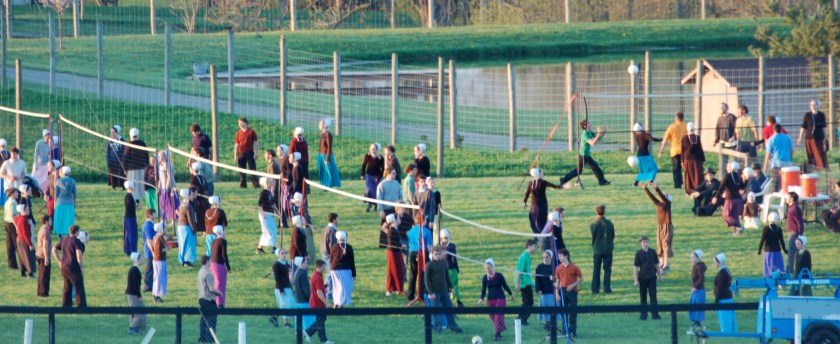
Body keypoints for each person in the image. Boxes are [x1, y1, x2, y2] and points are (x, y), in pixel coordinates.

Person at [560, 120, 610, 187]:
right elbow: (593, 143)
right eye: (588, 123)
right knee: (578, 171)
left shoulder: (589, 132)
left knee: (595, 166)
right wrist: (598, 135)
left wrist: (604, 131)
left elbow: (598, 138)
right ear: (585, 126)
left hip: (587, 155)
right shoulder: (585, 134)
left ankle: (602, 181)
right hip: (583, 156)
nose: (590, 123)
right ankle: (563, 180)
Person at [425, 245, 463, 334]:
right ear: (432, 254)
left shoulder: (443, 263)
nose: (437, 256)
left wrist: (451, 287)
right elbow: (426, 280)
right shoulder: (429, 265)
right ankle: (437, 329)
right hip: (435, 292)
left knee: (450, 309)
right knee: (437, 312)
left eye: (439, 254)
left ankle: (453, 326)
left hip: (445, 291)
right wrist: (430, 292)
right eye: (435, 254)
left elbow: (447, 276)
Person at [478, 258, 514, 341]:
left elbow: (505, 286)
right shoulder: (485, 278)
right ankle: (501, 328)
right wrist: (481, 299)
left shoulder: (499, 276)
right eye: (486, 268)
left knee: (498, 316)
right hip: (490, 300)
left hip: (500, 298)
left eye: (489, 268)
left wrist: (511, 294)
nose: (487, 269)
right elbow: (483, 290)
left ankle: (497, 334)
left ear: (492, 267)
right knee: (493, 317)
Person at [52, 224, 86, 307]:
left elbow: (54, 249)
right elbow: (78, 254)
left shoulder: (64, 240)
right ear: (77, 231)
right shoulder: (76, 241)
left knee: (67, 287)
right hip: (73, 266)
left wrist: (59, 261)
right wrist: (81, 267)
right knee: (78, 286)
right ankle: (81, 306)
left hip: (64, 266)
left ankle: (66, 304)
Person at [644, 183, 674, 272]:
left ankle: (666, 264)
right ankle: (661, 264)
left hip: (667, 226)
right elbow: (652, 198)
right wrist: (646, 188)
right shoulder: (659, 204)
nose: (661, 197)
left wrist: (657, 188)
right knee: (659, 244)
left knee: (665, 244)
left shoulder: (667, 204)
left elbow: (661, 196)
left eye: (664, 196)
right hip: (660, 226)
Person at [712, 161, 747, 235]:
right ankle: (736, 232)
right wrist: (746, 180)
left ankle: (739, 226)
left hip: (730, 199)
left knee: (725, 214)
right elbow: (742, 186)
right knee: (734, 216)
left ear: (731, 168)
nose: (726, 168)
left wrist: (716, 197)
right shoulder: (738, 176)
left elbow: (721, 187)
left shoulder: (727, 176)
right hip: (738, 199)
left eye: (728, 167)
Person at [523, 167, 560, 235]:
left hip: (534, 206)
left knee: (534, 222)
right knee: (542, 222)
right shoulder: (543, 182)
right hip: (543, 206)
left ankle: (540, 236)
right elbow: (553, 185)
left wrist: (525, 202)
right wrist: (563, 186)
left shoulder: (531, 183)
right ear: (538, 174)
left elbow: (527, 193)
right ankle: (543, 236)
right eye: (541, 172)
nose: (542, 174)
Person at [554, 248, 582, 337]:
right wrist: (557, 293)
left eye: (561, 256)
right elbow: (557, 281)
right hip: (562, 291)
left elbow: (581, 278)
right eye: (558, 256)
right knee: (563, 311)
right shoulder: (558, 268)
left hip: (572, 292)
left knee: (573, 311)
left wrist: (573, 285)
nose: (559, 258)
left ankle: (573, 329)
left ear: (566, 256)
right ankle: (565, 330)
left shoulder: (574, 267)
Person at [634, 236, 662, 320]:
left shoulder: (653, 252)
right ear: (640, 243)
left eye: (646, 242)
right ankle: (643, 314)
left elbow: (656, 264)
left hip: (652, 278)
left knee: (653, 296)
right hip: (642, 278)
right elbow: (635, 267)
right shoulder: (638, 253)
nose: (645, 244)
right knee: (643, 297)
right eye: (643, 242)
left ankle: (655, 314)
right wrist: (636, 280)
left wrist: (660, 275)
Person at [406, 212, 432, 302]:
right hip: (423, 253)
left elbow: (408, 243)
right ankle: (421, 295)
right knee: (423, 274)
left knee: (412, 274)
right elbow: (429, 246)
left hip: (412, 252)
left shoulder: (411, 232)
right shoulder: (427, 231)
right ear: (423, 221)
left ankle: (410, 295)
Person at [306, 259, 333, 344]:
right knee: (321, 320)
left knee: (321, 319)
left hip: (316, 302)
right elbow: (319, 292)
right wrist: (327, 303)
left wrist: (324, 286)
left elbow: (318, 289)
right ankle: (323, 340)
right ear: (319, 267)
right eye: (324, 266)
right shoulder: (318, 277)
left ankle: (308, 332)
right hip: (317, 303)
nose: (325, 268)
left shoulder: (316, 275)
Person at [197, 255, 223, 343]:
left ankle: (202, 338)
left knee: (203, 320)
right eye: (210, 261)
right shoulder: (208, 273)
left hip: (201, 298)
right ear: (207, 261)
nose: (211, 262)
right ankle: (210, 339)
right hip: (208, 299)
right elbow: (211, 289)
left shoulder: (200, 271)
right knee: (211, 321)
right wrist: (219, 293)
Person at [659, 112, 688, 189]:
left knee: (676, 168)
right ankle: (687, 183)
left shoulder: (672, 127)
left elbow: (665, 140)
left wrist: (661, 150)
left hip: (675, 151)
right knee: (686, 167)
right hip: (685, 151)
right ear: (683, 118)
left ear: (676, 118)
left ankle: (677, 185)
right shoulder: (686, 126)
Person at [590, 204, 614, 294]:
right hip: (608, 248)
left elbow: (593, 235)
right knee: (607, 269)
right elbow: (612, 235)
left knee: (596, 269)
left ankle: (595, 289)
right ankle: (607, 288)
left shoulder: (593, 224)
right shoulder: (609, 223)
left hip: (597, 249)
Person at [798, 99, 827, 170]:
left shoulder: (821, 115)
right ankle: (812, 167)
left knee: (819, 152)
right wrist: (800, 137)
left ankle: (821, 167)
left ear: (817, 106)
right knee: (810, 153)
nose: (813, 106)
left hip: (819, 137)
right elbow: (803, 127)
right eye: (811, 105)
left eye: (814, 105)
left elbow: (824, 127)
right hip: (809, 137)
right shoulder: (807, 115)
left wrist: (826, 137)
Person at [764, 124, 794, 192]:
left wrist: (765, 165)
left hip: (776, 164)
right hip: (787, 164)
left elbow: (768, 153)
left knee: (775, 183)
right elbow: (791, 150)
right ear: (781, 129)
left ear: (773, 130)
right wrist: (790, 159)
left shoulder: (771, 139)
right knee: (787, 183)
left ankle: (775, 197)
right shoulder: (787, 138)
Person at [269, 248, 295, 329]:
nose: (284, 255)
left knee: (284, 306)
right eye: (282, 253)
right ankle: (276, 317)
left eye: (284, 253)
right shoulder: (276, 265)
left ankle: (282, 321)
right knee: (288, 305)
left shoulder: (286, 263)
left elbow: (288, 276)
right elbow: (277, 278)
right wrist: (281, 289)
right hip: (281, 288)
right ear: (278, 255)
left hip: (287, 286)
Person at [330, 231, 356, 307]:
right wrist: (354, 274)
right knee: (345, 286)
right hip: (345, 269)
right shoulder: (349, 247)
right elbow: (352, 262)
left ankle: (337, 302)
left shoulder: (334, 247)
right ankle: (341, 302)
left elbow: (331, 259)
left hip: (334, 269)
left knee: (336, 287)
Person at [757, 212, 787, 278]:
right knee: (779, 266)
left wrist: (759, 250)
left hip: (768, 251)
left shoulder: (766, 229)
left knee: (769, 267)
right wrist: (785, 250)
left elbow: (762, 240)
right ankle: (781, 281)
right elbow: (782, 241)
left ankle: (770, 280)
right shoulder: (779, 229)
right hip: (777, 250)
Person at [515, 239, 537, 325]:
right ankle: (521, 319)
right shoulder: (523, 256)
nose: (535, 248)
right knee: (528, 302)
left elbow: (526, 270)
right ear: (529, 246)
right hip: (523, 283)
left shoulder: (528, 256)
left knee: (528, 301)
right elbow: (519, 271)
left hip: (528, 282)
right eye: (534, 246)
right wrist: (518, 283)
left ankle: (522, 319)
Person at [382, 213, 405, 296]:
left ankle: (394, 288)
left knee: (397, 269)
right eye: (398, 218)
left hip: (396, 252)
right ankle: (396, 289)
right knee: (394, 270)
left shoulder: (394, 229)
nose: (400, 219)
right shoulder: (391, 231)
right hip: (393, 252)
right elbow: (392, 243)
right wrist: (401, 245)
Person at [234, 117, 259, 189]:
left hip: (250, 153)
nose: (240, 124)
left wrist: (256, 153)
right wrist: (235, 156)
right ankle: (243, 185)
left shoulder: (251, 132)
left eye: (241, 123)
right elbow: (236, 145)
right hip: (241, 153)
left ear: (246, 123)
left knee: (252, 169)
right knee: (241, 170)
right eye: (239, 123)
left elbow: (256, 142)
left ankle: (256, 185)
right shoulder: (238, 133)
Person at [124, 128, 149, 202]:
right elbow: (146, 155)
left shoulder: (128, 145)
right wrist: (147, 166)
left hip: (132, 169)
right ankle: (140, 198)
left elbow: (126, 158)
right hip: (142, 167)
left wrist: (124, 168)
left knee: (133, 185)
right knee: (141, 185)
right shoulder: (142, 144)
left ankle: (135, 199)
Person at [126, 252, 147, 335]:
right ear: (137, 260)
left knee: (137, 311)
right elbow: (136, 284)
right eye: (141, 258)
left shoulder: (135, 269)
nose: (143, 259)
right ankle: (133, 328)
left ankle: (135, 327)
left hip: (132, 293)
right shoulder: (135, 270)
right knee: (138, 312)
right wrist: (139, 295)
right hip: (133, 294)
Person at [713, 253, 736, 332]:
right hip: (728, 298)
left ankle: (726, 332)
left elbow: (720, 288)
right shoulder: (726, 270)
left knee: (725, 319)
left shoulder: (722, 273)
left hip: (723, 299)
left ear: (719, 263)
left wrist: (716, 300)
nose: (714, 264)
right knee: (730, 318)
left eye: (715, 262)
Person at [535, 250, 556, 333]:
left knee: (551, 307)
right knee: (544, 307)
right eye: (544, 257)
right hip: (543, 291)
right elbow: (537, 280)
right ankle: (545, 323)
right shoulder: (539, 267)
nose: (545, 259)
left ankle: (552, 322)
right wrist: (538, 289)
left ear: (550, 257)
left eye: (547, 257)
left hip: (551, 291)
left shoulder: (554, 267)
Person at [440, 229, 462, 307]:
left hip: (442, 269)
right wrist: (457, 268)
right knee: (455, 285)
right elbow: (454, 259)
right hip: (451, 269)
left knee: (445, 286)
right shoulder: (452, 246)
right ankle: (458, 301)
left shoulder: (438, 246)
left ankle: (446, 301)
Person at [257, 177, 279, 255]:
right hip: (265, 215)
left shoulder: (269, 192)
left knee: (271, 231)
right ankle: (273, 248)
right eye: (269, 181)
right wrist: (262, 214)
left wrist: (278, 213)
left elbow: (273, 204)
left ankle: (260, 248)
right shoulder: (263, 193)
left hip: (270, 214)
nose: (271, 182)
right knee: (270, 231)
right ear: (266, 183)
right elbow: (260, 205)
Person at [176, 188, 197, 267]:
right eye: (190, 194)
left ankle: (182, 259)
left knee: (182, 243)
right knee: (188, 244)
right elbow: (190, 219)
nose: (192, 196)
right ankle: (186, 261)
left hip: (180, 227)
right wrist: (193, 229)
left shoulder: (182, 204)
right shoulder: (187, 206)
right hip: (186, 227)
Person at [317, 118, 341, 188]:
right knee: (323, 170)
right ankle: (324, 184)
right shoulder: (322, 133)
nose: (319, 125)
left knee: (328, 170)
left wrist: (327, 158)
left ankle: (329, 184)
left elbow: (329, 147)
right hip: (321, 154)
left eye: (320, 124)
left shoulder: (328, 134)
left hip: (326, 155)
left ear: (324, 125)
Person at [210, 225, 230, 307]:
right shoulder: (223, 241)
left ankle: (214, 301)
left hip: (212, 265)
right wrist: (228, 267)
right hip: (219, 265)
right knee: (220, 284)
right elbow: (224, 255)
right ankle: (220, 303)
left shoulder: (213, 241)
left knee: (215, 284)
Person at [361, 143, 384, 212]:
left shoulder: (380, 158)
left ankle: (376, 204)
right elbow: (364, 165)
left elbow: (383, 169)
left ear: (377, 150)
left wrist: (379, 176)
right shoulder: (367, 156)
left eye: (374, 149)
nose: (372, 150)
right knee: (369, 190)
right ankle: (370, 203)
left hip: (377, 177)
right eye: (371, 149)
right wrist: (362, 174)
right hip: (369, 176)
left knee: (376, 191)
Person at [292, 257, 314, 332]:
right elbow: (306, 289)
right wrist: (310, 297)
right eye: (305, 263)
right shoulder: (303, 274)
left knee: (298, 319)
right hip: (304, 300)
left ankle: (298, 332)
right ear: (300, 264)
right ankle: (307, 333)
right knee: (310, 319)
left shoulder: (297, 272)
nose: (306, 264)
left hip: (297, 299)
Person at [157, 150, 179, 224]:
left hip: (169, 187)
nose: (158, 157)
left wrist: (167, 188)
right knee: (162, 203)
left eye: (160, 156)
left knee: (172, 203)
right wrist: (159, 188)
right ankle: (164, 219)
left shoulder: (167, 165)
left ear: (164, 157)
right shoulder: (160, 166)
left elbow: (169, 177)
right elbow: (160, 178)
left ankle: (174, 219)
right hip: (163, 187)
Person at [14, 203, 35, 278]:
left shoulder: (18, 219)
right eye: (27, 209)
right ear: (22, 211)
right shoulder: (24, 220)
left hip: (19, 239)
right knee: (28, 256)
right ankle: (30, 272)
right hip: (23, 239)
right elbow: (25, 233)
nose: (28, 211)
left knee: (21, 256)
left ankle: (23, 272)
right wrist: (30, 244)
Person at [688, 250, 707, 334]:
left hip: (698, 290)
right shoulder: (696, 266)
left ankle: (697, 323)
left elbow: (702, 278)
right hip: (696, 290)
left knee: (697, 306)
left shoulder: (699, 267)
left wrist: (696, 286)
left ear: (697, 258)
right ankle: (695, 322)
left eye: (693, 257)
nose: (691, 259)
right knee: (693, 304)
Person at [785, 192, 804, 274]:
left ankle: (789, 270)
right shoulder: (791, 208)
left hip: (794, 233)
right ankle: (797, 269)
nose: (786, 199)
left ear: (792, 199)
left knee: (792, 251)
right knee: (794, 251)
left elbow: (799, 221)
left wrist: (800, 234)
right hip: (791, 232)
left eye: (787, 197)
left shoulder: (795, 208)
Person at [151, 222, 169, 303]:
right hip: (159, 260)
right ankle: (156, 296)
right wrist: (167, 249)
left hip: (156, 260)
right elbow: (159, 250)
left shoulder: (156, 236)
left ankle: (156, 295)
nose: (166, 229)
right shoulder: (159, 237)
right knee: (159, 278)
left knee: (157, 278)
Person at [36, 214, 53, 296]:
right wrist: (46, 257)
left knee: (41, 275)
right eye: (50, 220)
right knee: (44, 275)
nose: (51, 221)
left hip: (39, 254)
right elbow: (45, 245)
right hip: (43, 255)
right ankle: (43, 292)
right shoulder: (46, 231)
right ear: (46, 221)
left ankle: (39, 291)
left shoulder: (41, 229)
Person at [141, 209, 156, 292]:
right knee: (149, 269)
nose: (155, 215)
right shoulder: (147, 225)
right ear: (150, 215)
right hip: (150, 251)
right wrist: (153, 251)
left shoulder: (150, 225)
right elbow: (149, 240)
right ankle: (147, 286)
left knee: (152, 269)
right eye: (154, 214)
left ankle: (151, 286)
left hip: (151, 251)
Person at [4, 188, 19, 269]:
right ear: (12, 193)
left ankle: (11, 264)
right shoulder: (13, 202)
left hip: (7, 223)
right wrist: (16, 226)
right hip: (12, 224)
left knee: (9, 245)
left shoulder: (7, 202)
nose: (18, 194)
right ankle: (22, 263)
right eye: (16, 193)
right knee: (16, 244)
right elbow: (13, 215)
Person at [124, 181, 139, 256]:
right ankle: (133, 250)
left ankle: (128, 249)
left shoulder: (130, 196)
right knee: (132, 234)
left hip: (129, 217)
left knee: (128, 233)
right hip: (130, 217)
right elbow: (130, 207)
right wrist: (136, 207)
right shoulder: (129, 196)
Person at [0, 139, 10, 205]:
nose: (3, 148)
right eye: (1, 146)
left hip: (6, 173)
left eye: (3, 146)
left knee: (6, 187)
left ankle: (6, 201)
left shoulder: (8, 153)